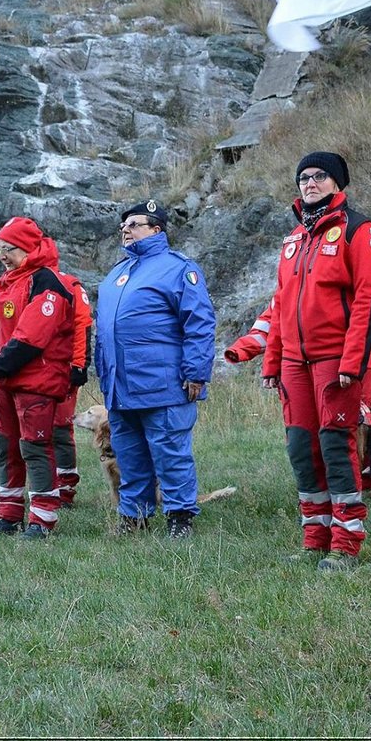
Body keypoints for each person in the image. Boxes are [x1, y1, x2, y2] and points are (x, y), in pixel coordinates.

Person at [262, 151, 371, 572]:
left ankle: (345, 542)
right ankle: (314, 537)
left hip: (336, 360)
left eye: (319, 177)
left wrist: (353, 361)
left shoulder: (358, 229)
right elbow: (280, 305)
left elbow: (368, 301)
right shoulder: (294, 239)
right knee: (300, 447)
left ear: (337, 183)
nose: (309, 184)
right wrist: (272, 362)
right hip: (294, 363)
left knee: (336, 446)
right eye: (303, 178)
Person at [93, 200, 217, 536]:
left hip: (163, 384)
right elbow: (102, 332)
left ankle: (180, 519)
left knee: (170, 455)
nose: (126, 230)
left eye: (135, 224)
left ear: (156, 229)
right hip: (120, 387)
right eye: (124, 225)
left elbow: (200, 322)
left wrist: (196, 371)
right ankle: (135, 518)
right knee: (130, 457)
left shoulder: (178, 268)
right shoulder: (115, 274)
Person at [0, 217, 75, 538]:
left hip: (36, 380)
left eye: (9, 249)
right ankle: (9, 514)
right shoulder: (5, 282)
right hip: (5, 379)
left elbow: (31, 337)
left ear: (28, 248)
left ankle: (42, 519)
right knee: (6, 446)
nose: (3, 256)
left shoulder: (46, 282)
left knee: (34, 446)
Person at [227, 294, 371, 491]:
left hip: (350, 364)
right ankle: (324, 491)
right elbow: (271, 324)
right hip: (309, 367)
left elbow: (360, 319)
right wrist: (241, 349)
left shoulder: (337, 276)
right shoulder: (290, 281)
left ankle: (355, 489)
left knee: (353, 429)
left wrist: (351, 363)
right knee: (312, 435)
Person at [49, 244, 94, 505]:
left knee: (60, 428)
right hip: (28, 371)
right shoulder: (15, 283)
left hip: (62, 370)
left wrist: (79, 366)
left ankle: (65, 488)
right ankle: (43, 486)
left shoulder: (70, 285)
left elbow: (82, 325)